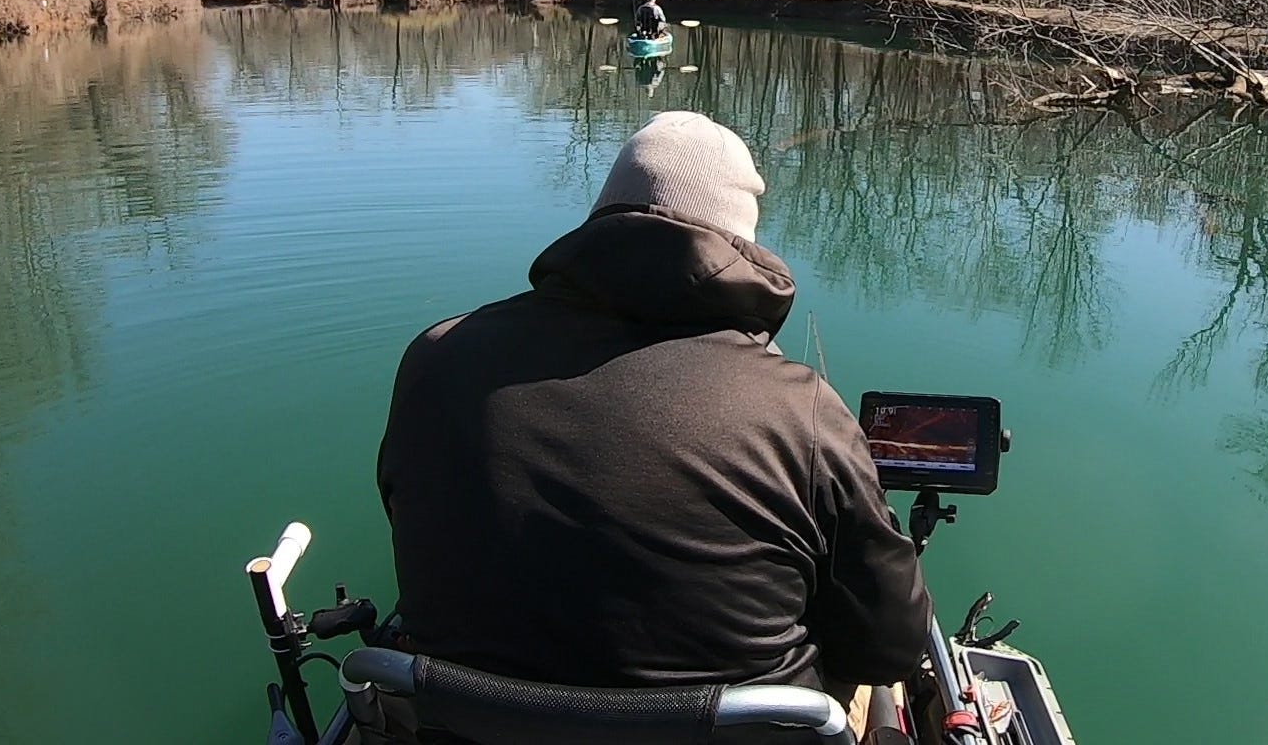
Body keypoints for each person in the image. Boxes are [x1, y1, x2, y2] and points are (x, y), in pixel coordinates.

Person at [377, 111, 930, 716]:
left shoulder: (436, 357)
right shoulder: (802, 410)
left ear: (600, 215)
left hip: (466, 725)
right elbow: (890, 649)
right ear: (740, 244)